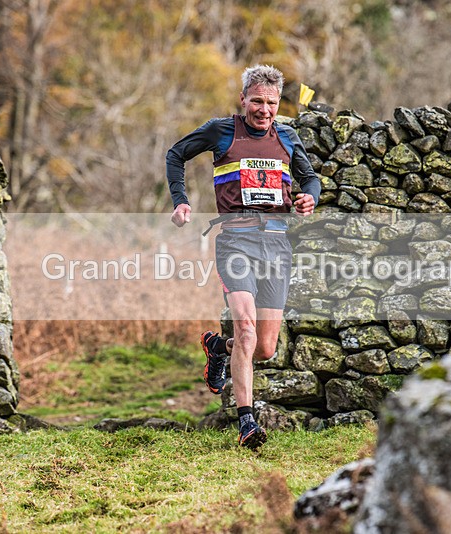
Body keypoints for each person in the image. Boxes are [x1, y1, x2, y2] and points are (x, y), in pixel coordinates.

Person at [166, 65, 321, 449]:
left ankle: (218, 347)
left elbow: (311, 178)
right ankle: (247, 423)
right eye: (256, 101)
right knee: (247, 330)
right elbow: (175, 154)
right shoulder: (222, 131)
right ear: (243, 99)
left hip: (277, 245)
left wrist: (309, 197)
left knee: (264, 348)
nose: (263, 110)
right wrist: (181, 202)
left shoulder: (287, 135)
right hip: (236, 242)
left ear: (278, 104)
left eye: (270, 103)